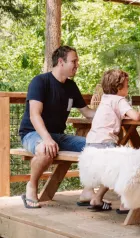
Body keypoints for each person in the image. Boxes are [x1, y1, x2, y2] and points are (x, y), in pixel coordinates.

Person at [19, 45, 95, 208]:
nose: (77, 65)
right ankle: (31, 186)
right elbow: (34, 115)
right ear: (61, 62)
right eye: (73, 61)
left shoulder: (71, 86)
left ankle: (88, 191)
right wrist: (46, 139)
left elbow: (88, 112)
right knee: (45, 151)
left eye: (77, 61)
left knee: (95, 147)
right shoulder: (40, 81)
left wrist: (115, 113)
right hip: (32, 133)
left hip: (58, 136)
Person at [82, 69, 140, 213]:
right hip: (105, 142)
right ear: (119, 88)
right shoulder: (119, 100)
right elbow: (135, 116)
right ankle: (125, 203)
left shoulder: (105, 98)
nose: (128, 87)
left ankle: (97, 198)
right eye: (127, 85)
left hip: (91, 143)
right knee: (123, 169)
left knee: (110, 171)